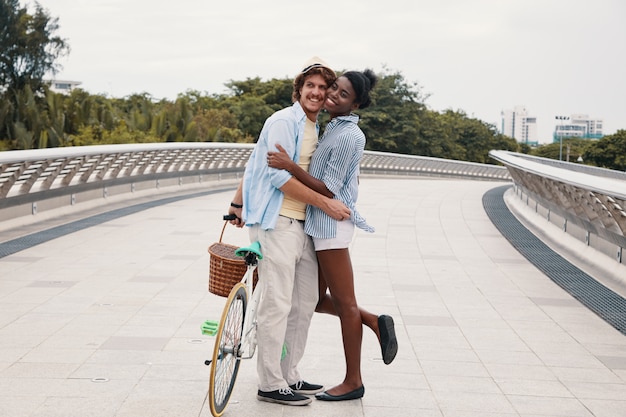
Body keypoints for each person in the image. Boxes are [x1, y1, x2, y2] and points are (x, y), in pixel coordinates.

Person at [267, 69, 398, 401]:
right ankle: (373, 320)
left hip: (330, 227)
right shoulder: (332, 128)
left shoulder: (350, 135)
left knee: (344, 302)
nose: (331, 96)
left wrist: (289, 166)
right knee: (311, 300)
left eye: (342, 94)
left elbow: (329, 188)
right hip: (319, 224)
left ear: (355, 104)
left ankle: (353, 380)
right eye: (333, 89)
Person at [226, 57, 351, 406]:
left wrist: (235, 203)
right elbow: (277, 177)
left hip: (303, 224)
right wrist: (327, 205)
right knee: (277, 303)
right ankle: (270, 382)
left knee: (305, 301)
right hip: (276, 221)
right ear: (299, 90)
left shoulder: (316, 127)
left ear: (328, 96)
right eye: (309, 86)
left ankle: (289, 374)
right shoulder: (284, 120)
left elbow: (253, 161)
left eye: (322, 88)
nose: (316, 92)